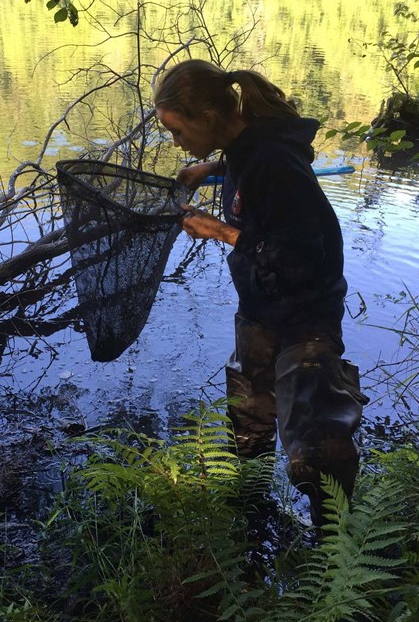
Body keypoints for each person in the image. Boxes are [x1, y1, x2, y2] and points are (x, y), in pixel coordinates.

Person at [153, 59, 368, 529]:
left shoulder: (273, 161)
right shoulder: (247, 149)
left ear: (208, 117)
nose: (175, 142)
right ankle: (250, 526)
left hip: (304, 320)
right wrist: (212, 167)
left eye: (177, 129)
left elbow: (302, 256)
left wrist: (221, 232)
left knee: (315, 446)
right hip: (261, 310)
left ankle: (335, 557)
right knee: (248, 425)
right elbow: (253, 170)